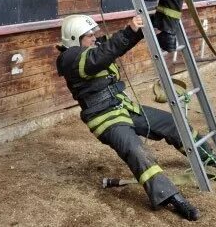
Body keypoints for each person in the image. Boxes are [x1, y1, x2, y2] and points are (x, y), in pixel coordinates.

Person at [56, 14, 201, 220]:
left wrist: (150, 21)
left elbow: (114, 45)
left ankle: (206, 154)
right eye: (89, 36)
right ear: (74, 39)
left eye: (94, 34)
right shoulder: (70, 58)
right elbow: (103, 54)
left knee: (172, 123)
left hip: (124, 107)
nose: (94, 39)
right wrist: (129, 31)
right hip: (105, 118)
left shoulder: (93, 48)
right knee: (137, 152)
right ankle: (172, 198)